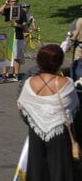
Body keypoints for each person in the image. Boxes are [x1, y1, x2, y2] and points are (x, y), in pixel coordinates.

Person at [17, 44, 81, 180]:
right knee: (60, 173)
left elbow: (23, 110)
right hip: (60, 136)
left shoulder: (29, 83)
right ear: (60, 61)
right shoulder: (67, 83)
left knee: (37, 172)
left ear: (39, 61)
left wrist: (36, 122)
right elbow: (75, 110)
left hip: (36, 134)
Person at [0, 0, 27, 81]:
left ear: (18, 2)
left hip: (18, 36)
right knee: (6, 55)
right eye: (12, 1)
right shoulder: (7, 10)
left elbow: (25, 26)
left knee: (17, 56)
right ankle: (4, 74)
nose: (14, 3)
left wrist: (17, 25)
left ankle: (16, 74)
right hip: (8, 36)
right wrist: (5, 4)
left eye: (15, 1)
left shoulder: (22, 11)